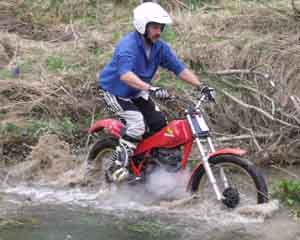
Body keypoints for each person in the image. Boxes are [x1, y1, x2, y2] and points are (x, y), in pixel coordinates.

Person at [86, 2, 203, 182]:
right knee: (137, 124)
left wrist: (200, 86)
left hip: (137, 91)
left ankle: (151, 166)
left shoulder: (160, 47)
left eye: (160, 27)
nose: (159, 31)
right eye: (155, 27)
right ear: (143, 26)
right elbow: (125, 75)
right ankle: (117, 165)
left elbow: (179, 68)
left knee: (160, 124)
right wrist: (151, 88)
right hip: (115, 92)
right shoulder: (127, 46)